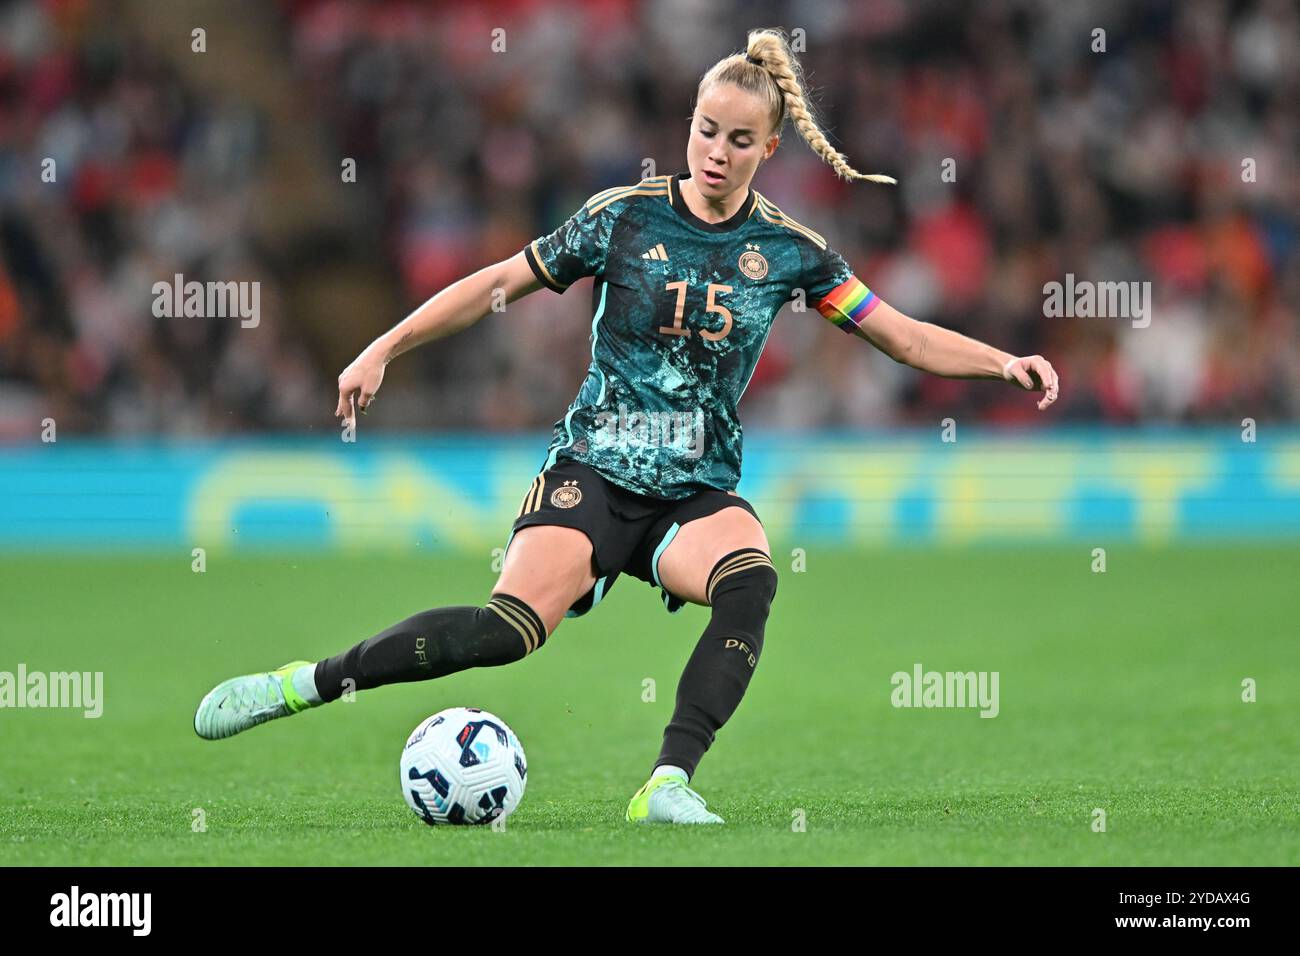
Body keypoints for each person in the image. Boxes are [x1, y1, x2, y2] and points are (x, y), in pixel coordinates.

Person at [193, 28, 1059, 825]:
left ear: (770, 148)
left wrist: (1002, 363)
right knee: (508, 632)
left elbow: (902, 337)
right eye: (706, 130)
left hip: (692, 490)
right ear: (688, 126)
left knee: (750, 580)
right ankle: (307, 682)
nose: (717, 153)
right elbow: (496, 283)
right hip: (596, 473)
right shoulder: (623, 217)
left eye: (739, 139)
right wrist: (383, 346)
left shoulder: (793, 252)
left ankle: (668, 782)